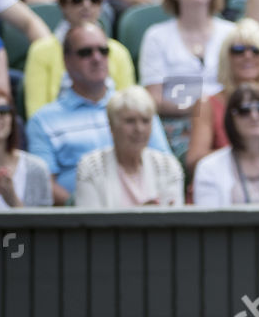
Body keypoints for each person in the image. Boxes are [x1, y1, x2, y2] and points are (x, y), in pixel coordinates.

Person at [27, 22, 170, 205]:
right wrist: (88, 208)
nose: (97, 58)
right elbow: (44, 184)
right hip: (79, 223)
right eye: (85, 52)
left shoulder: (137, 109)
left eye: (103, 51)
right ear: (66, 61)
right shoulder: (43, 120)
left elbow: (165, 166)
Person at [138, 0, 234, 155]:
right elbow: (153, 99)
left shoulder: (232, 33)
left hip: (228, 121)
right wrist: (204, 109)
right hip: (177, 126)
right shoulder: (157, 36)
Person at [183, 18, 259, 172]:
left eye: (256, 50)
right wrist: (246, 148)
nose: (248, 56)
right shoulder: (207, 104)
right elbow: (194, 161)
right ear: (226, 58)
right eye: (238, 50)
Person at [22, 0, 134, 117]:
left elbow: (130, 106)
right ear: (62, 5)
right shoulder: (41, 50)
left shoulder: (118, 51)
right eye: (77, 0)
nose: (86, 5)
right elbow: (36, 112)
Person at [72, 85, 186, 207]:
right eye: (130, 121)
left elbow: (175, 221)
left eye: (145, 121)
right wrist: (140, 218)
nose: (139, 129)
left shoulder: (168, 166)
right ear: (112, 126)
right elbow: (89, 223)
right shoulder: (91, 167)